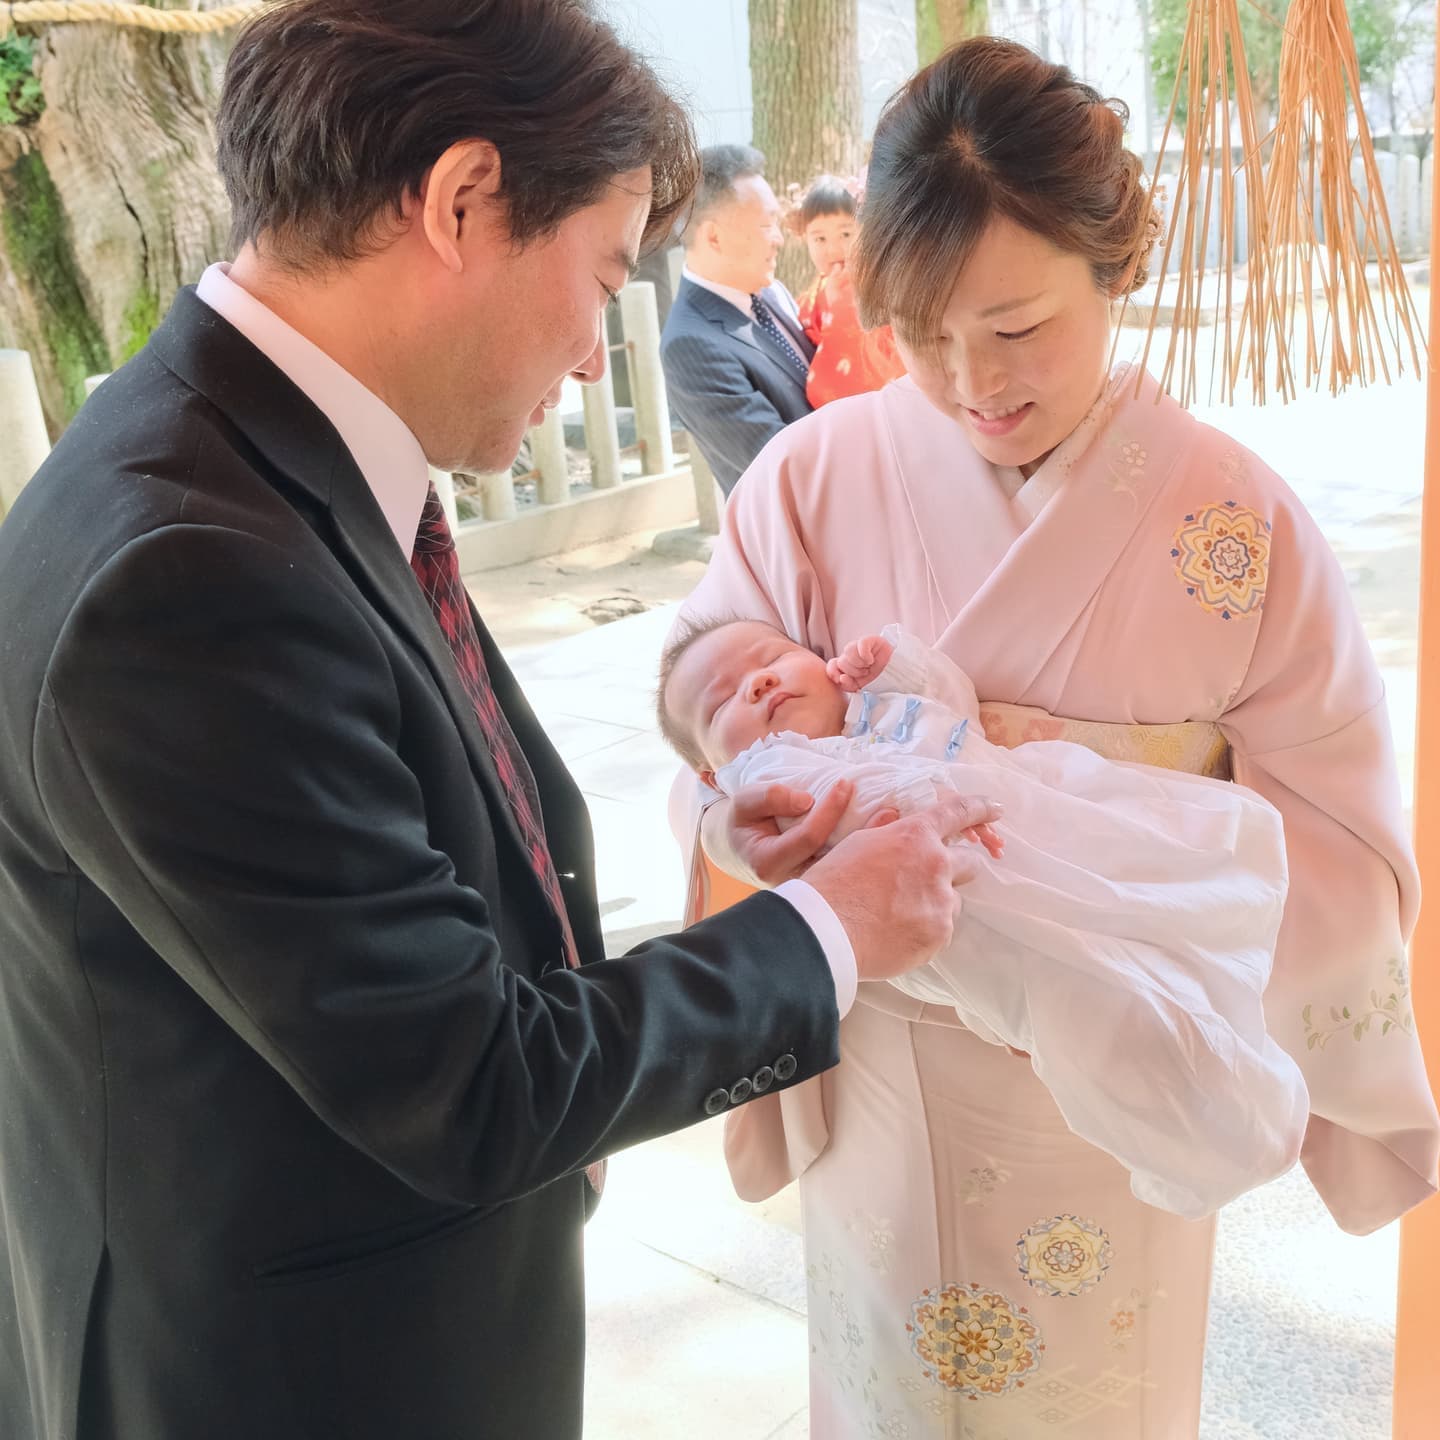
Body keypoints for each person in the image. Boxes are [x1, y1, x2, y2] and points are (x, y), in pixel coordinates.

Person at [0, 5, 1005, 1438]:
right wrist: (834, 928)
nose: (600, 356)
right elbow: (469, 1078)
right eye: (602, 278)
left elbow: (415, 878)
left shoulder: (250, 465)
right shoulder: (187, 573)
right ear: (464, 199)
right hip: (286, 1375)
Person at [671, 36, 1440, 1437]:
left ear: (1112, 267)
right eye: (923, 331)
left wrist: (1103, 828)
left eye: (1019, 327)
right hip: (881, 1069)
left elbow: (1345, 850)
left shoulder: (1238, 526)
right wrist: (752, 740)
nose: (974, 380)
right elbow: (704, 698)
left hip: (1113, 1101)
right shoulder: (811, 477)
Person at [658, 615, 1308, 1220]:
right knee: (1107, 1005)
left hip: (1041, 815)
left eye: (771, 658)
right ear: (712, 772)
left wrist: (895, 665)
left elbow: (951, 702)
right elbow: (845, 810)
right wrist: (915, 798)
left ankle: (1237, 1058)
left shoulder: (879, 710)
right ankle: (1225, 1130)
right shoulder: (776, 772)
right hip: (972, 905)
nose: (758, 682)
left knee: (1170, 873)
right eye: (722, 702)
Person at [660, 144, 814, 496]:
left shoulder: (770, 289)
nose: (779, 239)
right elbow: (781, 467)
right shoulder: (690, 346)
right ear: (713, 236)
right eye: (766, 225)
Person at [790, 175, 906, 407]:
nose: (833, 248)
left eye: (845, 234)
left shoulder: (885, 285)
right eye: (819, 238)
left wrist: (843, 304)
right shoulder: (810, 298)